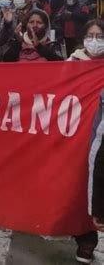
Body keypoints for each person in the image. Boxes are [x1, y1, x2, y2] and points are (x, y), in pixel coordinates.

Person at [68, 19, 104, 264]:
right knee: (77, 186)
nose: (94, 40)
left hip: (99, 137)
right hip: (75, 134)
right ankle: (84, 238)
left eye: (99, 36)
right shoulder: (73, 61)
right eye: (90, 35)